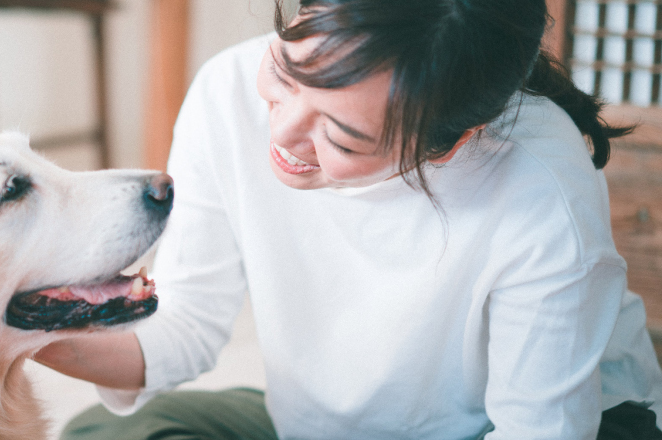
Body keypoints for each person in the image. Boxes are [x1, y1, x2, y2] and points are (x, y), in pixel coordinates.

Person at [34, 0, 662, 438]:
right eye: (286, 73)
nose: (281, 131)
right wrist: (9, 323)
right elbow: (182, 328)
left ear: (451, 143)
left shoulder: (537, 181)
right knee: (103, 432)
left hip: (556, 426)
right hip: (333, 427)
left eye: (342, 138)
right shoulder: (224, 91)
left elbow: (540, 430)